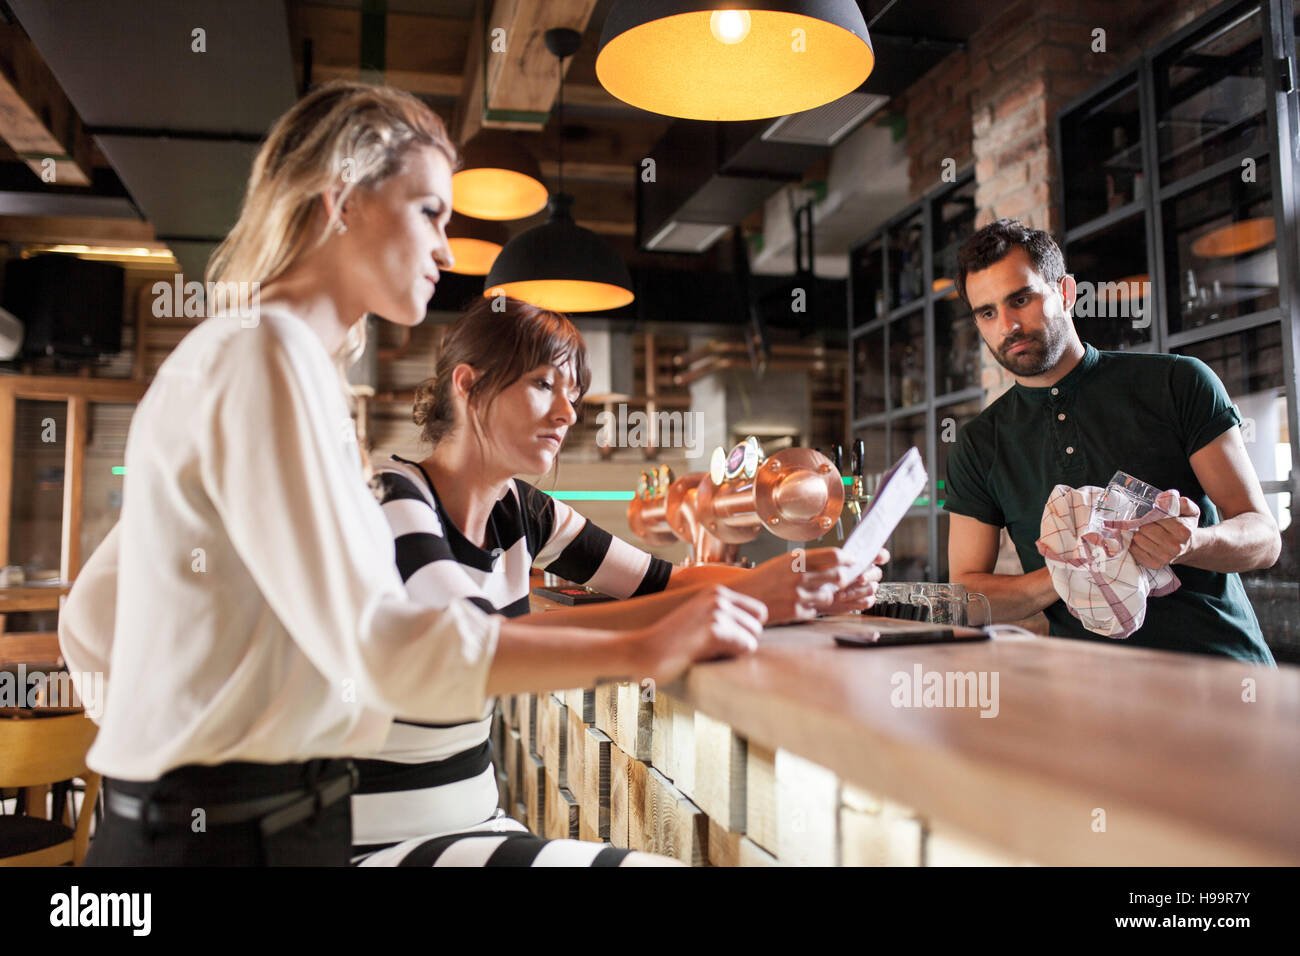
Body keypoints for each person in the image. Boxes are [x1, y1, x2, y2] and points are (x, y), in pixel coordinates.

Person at [56, 80, 774, 867]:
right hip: (223, 836)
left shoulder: (272, 358)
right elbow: (387, 652)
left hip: (244, 822)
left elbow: (90, 612)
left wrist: (151, 735)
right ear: (344, 200)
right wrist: (647, 647)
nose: (445, 247)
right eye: (430, 211)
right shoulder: (267, 357)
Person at [349, 296, 888, 865]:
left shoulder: (523, 510)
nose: (567, 413)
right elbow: (477, 648)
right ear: (468, 385)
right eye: (543, 385)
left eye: (573, 396)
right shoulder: (392, 493)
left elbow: (664, 582)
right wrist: (670, 635)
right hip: (386, 840)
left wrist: (802, 579)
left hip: (479, 822)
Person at [944, 218, 1280, 664]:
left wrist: (1192, 544)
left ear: (1065, 292)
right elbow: (965, 598)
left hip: (1223, 674)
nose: (1006, 325)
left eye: (1020, 299)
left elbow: (1263, 537)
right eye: (987, 312)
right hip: (1094, 697)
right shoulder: (978, 444)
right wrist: (1068, 572)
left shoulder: (1178, 382)